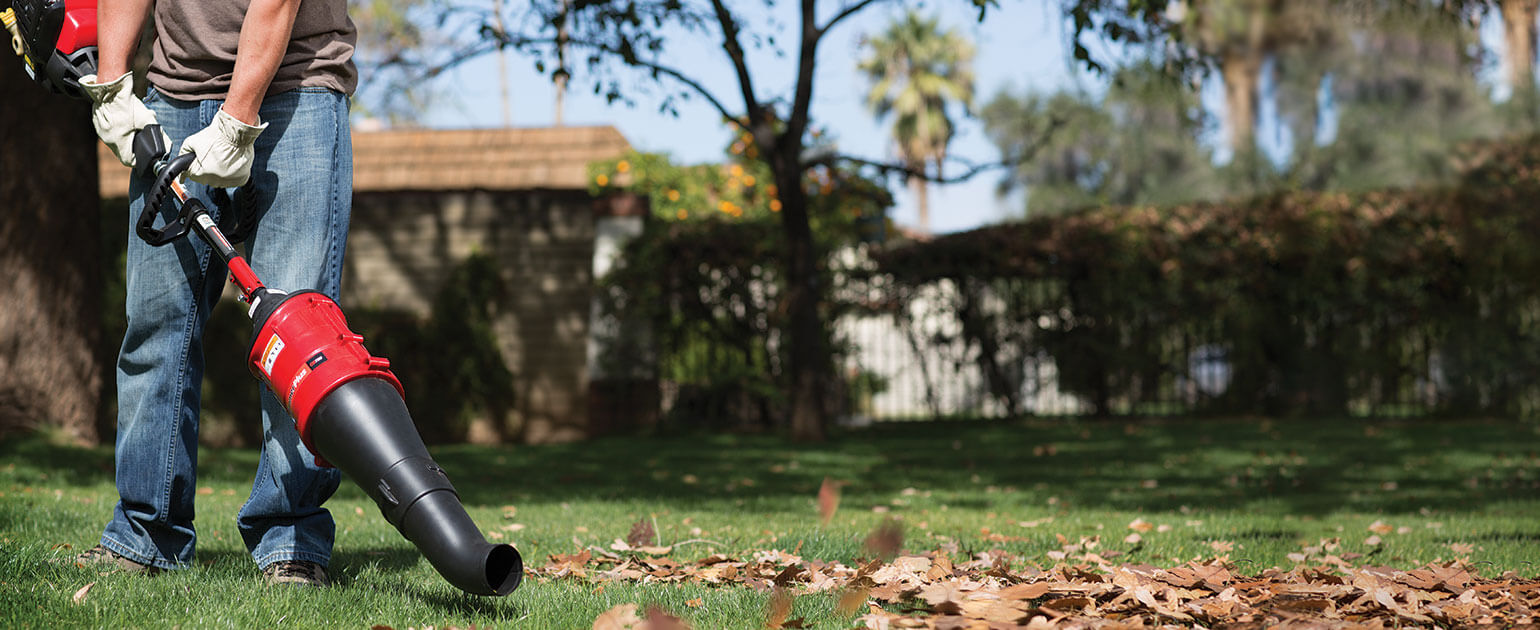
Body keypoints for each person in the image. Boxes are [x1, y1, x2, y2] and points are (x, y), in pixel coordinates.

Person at [75, 0, 357, 587]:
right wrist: (112, 83)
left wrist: (237, 117)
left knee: (300, 341)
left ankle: (291, 538)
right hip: (174, 94)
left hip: (297, 89)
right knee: (156, 327)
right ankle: (146, 535)